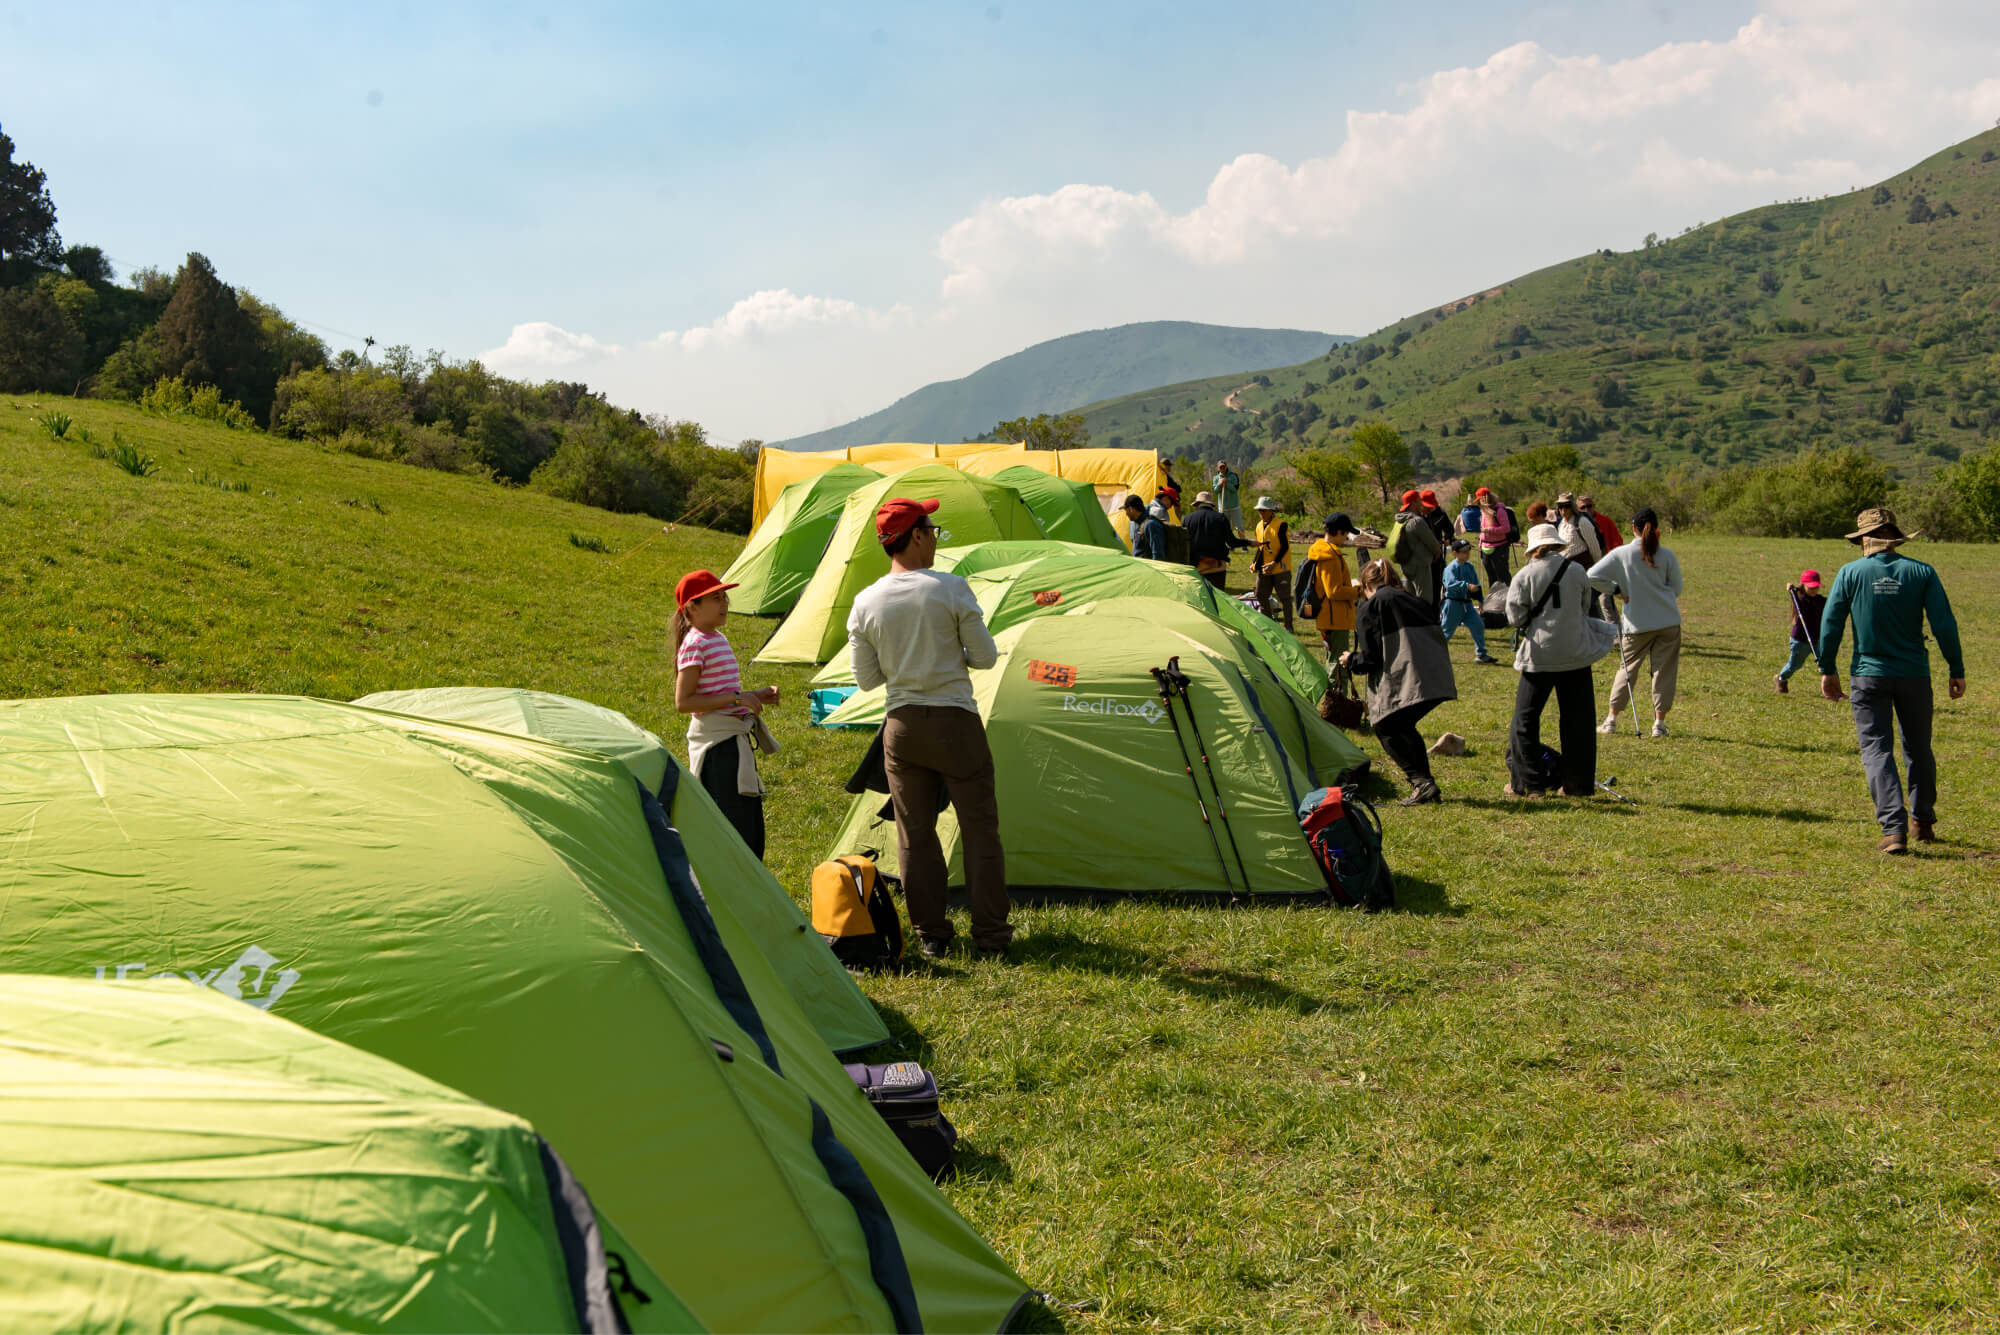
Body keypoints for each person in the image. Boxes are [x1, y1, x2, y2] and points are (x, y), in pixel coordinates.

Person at [846, 497, 1011, 956]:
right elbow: (984, 657)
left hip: (901, 727)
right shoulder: (951, 588)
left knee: (914, 834)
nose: (936, 536)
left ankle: (931, 935)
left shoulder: (865, 601)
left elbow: (866, 679)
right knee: (980, 829)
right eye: (933, 528)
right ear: (916, 536)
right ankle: (991, 936)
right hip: (955, 721)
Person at [1816, 507, 1966, 855]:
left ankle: (1893, 829)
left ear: (1864, 541)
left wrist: (1827, 669)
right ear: (1894, 539)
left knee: (1876, 749)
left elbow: (1831, 624)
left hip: (1868, 676)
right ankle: (1923, 820)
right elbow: (1944, 623)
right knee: (1918, 747)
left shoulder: (1850, 573)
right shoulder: (1921, 572)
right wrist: (1956, 668)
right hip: (1915, 674)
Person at [671, 570, 780, 858]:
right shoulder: (695, 644)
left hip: (733, 741)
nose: (724, 604)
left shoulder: (717, 637)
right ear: (691, 608)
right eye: (715, 598)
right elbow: (684, 701)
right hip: (718, 747)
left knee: (749, 824)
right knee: (735, 827)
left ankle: (750, 881)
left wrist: (756, 696)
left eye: (724, 597)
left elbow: (721, 693)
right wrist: (737, 697)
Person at [1342, 561, 1458, 805]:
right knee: (1403, 724)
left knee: (1386, 726)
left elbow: (1370, 661)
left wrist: (1350, 659)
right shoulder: (1414, 599)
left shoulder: (1370, 606)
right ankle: (1425, 784)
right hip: (1438, 676)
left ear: (1365, 585)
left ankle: (1422, 782)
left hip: (1411, 678)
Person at [1504, 523, 1604, 799]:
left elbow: (1514, 617)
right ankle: (1578, 785)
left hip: (1540, 655)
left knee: (1525, 720)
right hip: (1575, 652)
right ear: (1558, 545)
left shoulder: (1525, 575)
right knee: (1579, 721)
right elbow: (1585, 607)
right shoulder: (1577, 571)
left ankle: (1529, 784)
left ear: (1534, 548)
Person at [1588, 507, 1683, 738]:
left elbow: (1591, 575)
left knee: (1627, 669)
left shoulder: (1621, 553)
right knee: (1664, 672)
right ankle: (1659, 725)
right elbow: (1676, 589)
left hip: (1636, 623)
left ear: (1633, 528)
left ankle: (1611, 720)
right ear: (1656, 529)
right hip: (1668, 621)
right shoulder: (1667, 554)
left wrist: (1616, 590)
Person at [1294, 513, 1361, 661]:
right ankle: (1334, 686)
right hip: (1334, 620)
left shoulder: (1325, 552)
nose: (1346, 537)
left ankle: (1334, 685)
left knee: (1334, 663)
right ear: (1338, 532)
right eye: (1346, 533)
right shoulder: (1330, 557)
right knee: (1338, 667)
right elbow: (1334, 592)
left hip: (1331, 618)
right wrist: (1359, 591)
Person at [1440, 538, 1498, 664]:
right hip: (1453, 604)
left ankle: (1481, 654)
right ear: (1454, 553)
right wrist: (1466, 586)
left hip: (1467, 604)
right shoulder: (1451, 568)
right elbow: (1450, 584)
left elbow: (1476, 585)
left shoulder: (1469, 566)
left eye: (1468, 551)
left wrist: (1481, 601)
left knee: (1478, 625)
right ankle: (1436, 653)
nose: (1467, 554)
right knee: (1446, 631)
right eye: (1463, 552)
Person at [1184, 489, 1251, 590]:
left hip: (1195, 567)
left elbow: (1184, 544)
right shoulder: (1220, 518)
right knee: (1217, 601)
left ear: (1197, 504)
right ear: (1211, 504)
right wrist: (1249, 542)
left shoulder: (1187, 519)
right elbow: (1232, 542)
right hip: (1216, 567)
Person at [1774, 569, 1827, 693]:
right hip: (1800, 641)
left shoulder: (1821, 600)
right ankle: (1781, 678)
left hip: (1817, 639)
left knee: (1826, 663)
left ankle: (1834, 689)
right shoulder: (1800, 599)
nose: (1814, 590)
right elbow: (1796, 599)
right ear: (1803, 586)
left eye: (1816, 587)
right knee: (1795, 665)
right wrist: (1791, 591)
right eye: (1811, 588)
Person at [1390, 489, 1443, 608]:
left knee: (1409, 598)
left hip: (1405, 563)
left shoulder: (1399, 521)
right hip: (1421, 565)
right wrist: (1437, 552)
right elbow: (1433, 544)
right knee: (1425, 599)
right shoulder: (1416, 521)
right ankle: (1423, 623)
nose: (1421, 503)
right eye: (1419, 501)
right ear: (1413, 503)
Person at [1250, 496, 1294, 630]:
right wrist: (1254, 563)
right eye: (1259, 510)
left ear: (1271, 511)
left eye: (1263, 510)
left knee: (1285, 598)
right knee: (1260, 595)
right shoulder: (1258, 526)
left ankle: (1288, 625)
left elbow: (1285, 547)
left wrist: (1274, 563)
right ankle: (1269, 624)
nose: (1261, 513)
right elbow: (1261, 547)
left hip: (1280, 567)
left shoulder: (1281, 525)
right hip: (1264, 568)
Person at [1473, 486, 1518, 589]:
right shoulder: (1484, 511)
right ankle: (1493, 601)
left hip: (1499, 548)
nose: (1478, 503)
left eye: (1479, 500)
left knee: (1502, 577)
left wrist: (1489, 530)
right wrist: (1480, 543)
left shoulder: (1500, 511)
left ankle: (1506, 600)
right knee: (1491, 577)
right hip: (1485, 548)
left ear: (1483, 499)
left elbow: (1506, 528)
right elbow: (1482, 529)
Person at [1125, 493, 1167, 561]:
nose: (1126, 514)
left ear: (1131, 509)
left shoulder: (1151, 525)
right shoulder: (1140, 524)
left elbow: (1158, 555)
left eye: (1126, 510)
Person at [1212, 460, 1243, 531]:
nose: (1222, 468)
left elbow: (1235, 489)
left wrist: (1227, 483)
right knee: (1224, 529)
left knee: (1239, 528)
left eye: (1223, 466)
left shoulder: (1233, 476)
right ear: (1218, 468)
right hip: (1223, 508)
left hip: (1234, 507)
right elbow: (1215, 491)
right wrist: (1219, 484)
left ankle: (1243, 541)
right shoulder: (1216, 478)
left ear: (1226, 466)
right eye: (1220, 467)